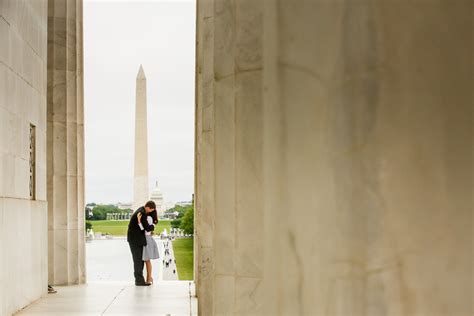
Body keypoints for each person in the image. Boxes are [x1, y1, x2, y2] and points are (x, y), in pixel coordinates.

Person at [127, 200, 156, 286]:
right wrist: (153, 226)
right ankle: (139, 281)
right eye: (151, 210)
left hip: (136, 239)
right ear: (148, 207)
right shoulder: (142, 213)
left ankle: (140, 280)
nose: (151, 212)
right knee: (138, 261)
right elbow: (147, 228)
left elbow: (142, 228)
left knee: (139, 260)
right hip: (136, 240)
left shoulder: (141, 211)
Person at [141, 210, 159, 284]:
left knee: (147, 260)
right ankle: (149, 278)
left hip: (147, 239)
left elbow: (145, 229)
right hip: (147, 238)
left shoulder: (148, 218)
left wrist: (139, 222)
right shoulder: (150, 218)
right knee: (146, 260)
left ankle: (149, 278)